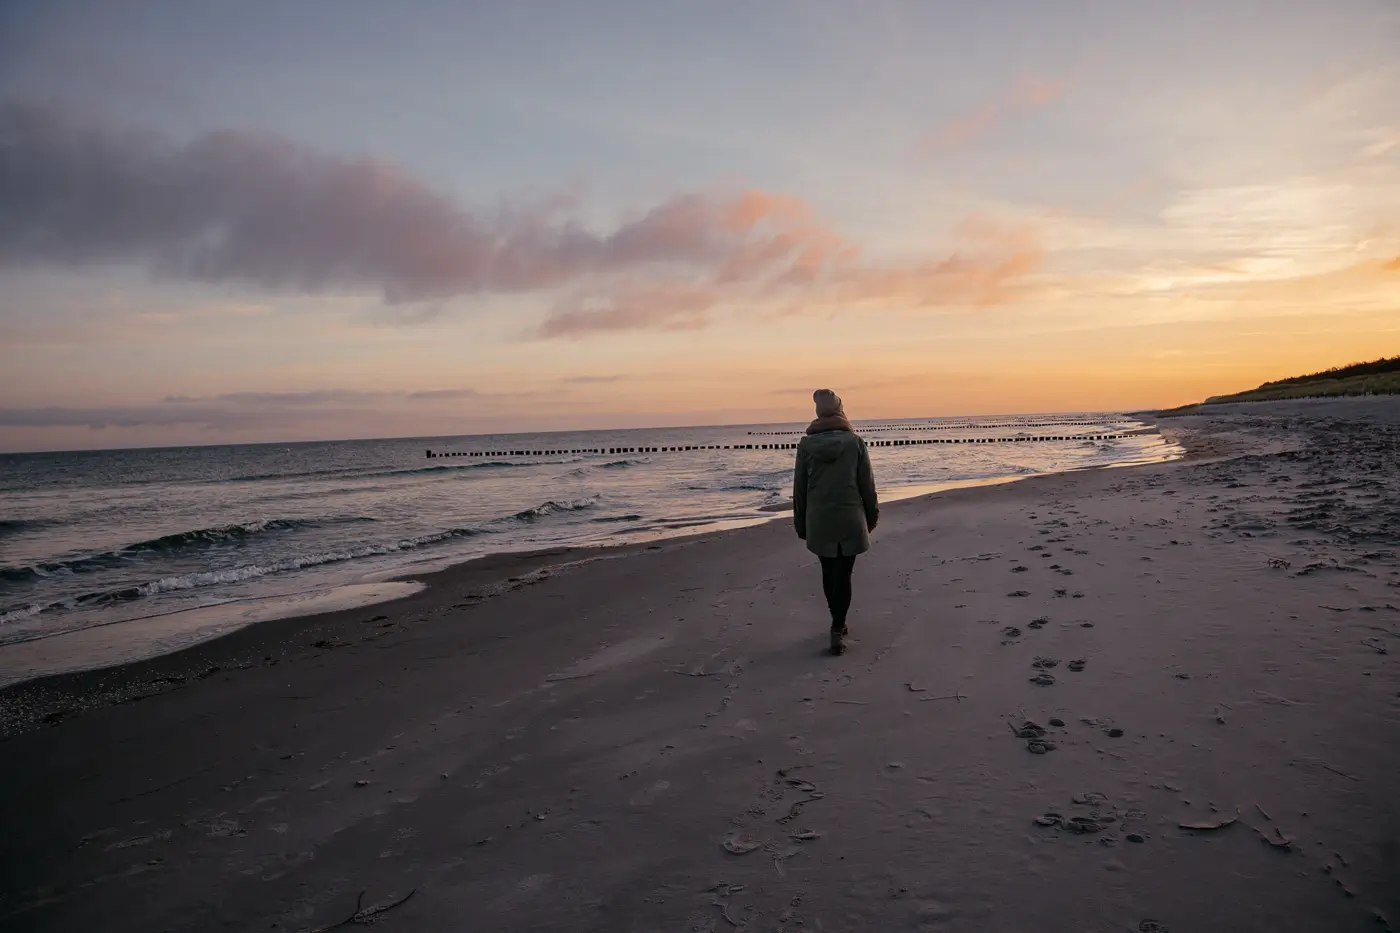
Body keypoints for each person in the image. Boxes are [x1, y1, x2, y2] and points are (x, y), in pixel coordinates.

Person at [792, 389, 879, 655]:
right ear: (840, 409)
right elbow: (867, 484)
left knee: (829, 573)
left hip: (820, 518)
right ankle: (839, 625)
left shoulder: (805, 446)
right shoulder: (855, 442)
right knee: (845, 574)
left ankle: (835, 624)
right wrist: (872, 516)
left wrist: (801, 523)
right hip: (850, 516)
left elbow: (800, 490)